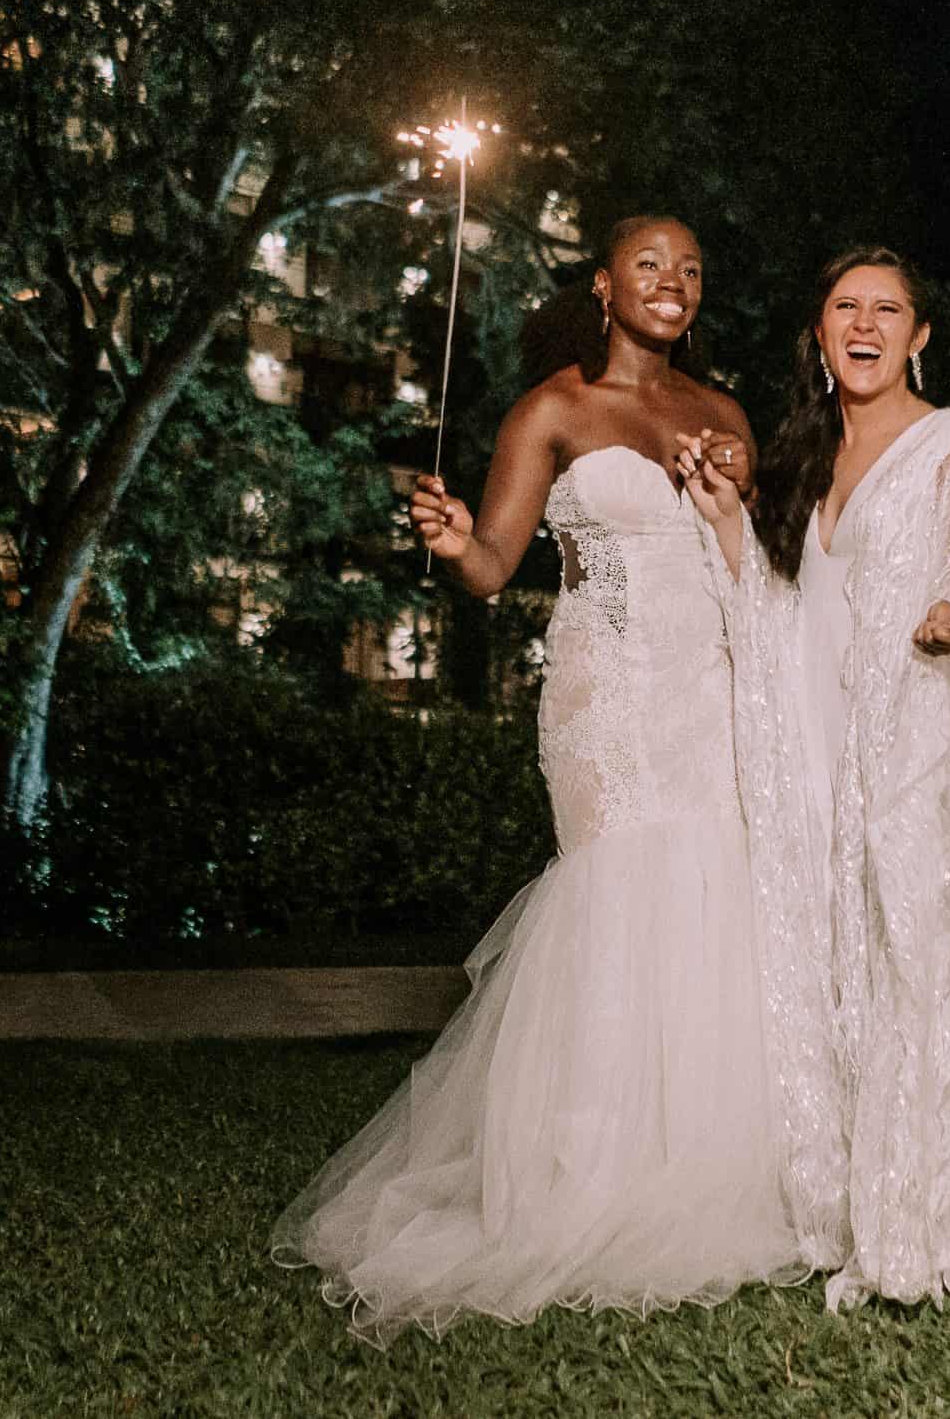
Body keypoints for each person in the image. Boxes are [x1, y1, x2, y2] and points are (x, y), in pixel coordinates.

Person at [270, 216, 805, 1341]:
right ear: (606, 286)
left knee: (713, 897)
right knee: (613, 897)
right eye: (649, 264)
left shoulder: (724, 413)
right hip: (605, 696)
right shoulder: (552, 409)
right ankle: (587, 1175)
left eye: (690, 269)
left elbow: (750, 569)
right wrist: (455, 537)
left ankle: (705, 1167)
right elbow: (490, 568)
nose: (671, 281)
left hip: (710, 690)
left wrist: (733, 499)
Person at [681, 245, 950, 1311]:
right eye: (845, 307)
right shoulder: (808, 459)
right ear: (819, 332)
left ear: (920, 334)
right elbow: (783, 610)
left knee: (914, 957)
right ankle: (839, 1197)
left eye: (887, 309)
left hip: (913, 747)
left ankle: (928, 1212)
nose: (864, 324)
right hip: (816, 748)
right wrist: (724, 518)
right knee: (825, 961)